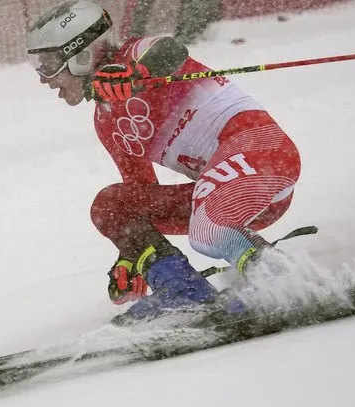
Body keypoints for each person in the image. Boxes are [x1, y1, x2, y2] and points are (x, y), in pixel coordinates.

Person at [26, 1, 302, 322]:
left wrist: (136, 73)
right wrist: (131, 257)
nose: (44, 78)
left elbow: (169, 50)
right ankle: (183, 292)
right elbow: (140, 198)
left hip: (264, 157)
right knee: (111, 205)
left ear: (79, 54)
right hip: (222, 193)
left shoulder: (136, 54)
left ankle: (280, 279)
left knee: (207, 232)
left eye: (47, 63)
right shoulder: (105, 120)